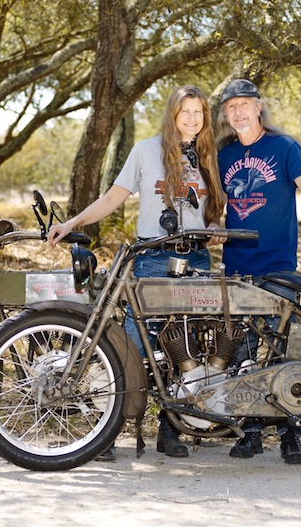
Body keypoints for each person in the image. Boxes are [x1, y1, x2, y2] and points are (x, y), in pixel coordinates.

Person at [48, 85, 226, 460]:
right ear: (172, 114)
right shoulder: (146, 151)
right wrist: (73, 221)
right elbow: (113, 198)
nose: (193, 118)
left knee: (186, 345)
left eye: (199, 112)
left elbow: (212, 211)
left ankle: (170, 429)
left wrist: (213, 229)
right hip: (151, 258)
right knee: (130, 345)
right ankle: (110, 433)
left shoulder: (208, 155)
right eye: (186, 111)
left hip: (194, 261)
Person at [215, 78, 301, 465]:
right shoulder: (223, 155)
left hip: (279, 269)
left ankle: (291, 434)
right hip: (237, 271)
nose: (238, 112)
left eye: (245, 105)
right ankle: (251, 432)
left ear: (259, 107)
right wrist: (212, 230)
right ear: (226, 115)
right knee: (243, 355)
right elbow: (219, 208)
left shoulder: (284, 147)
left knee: (285, 354)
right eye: (231, 107)